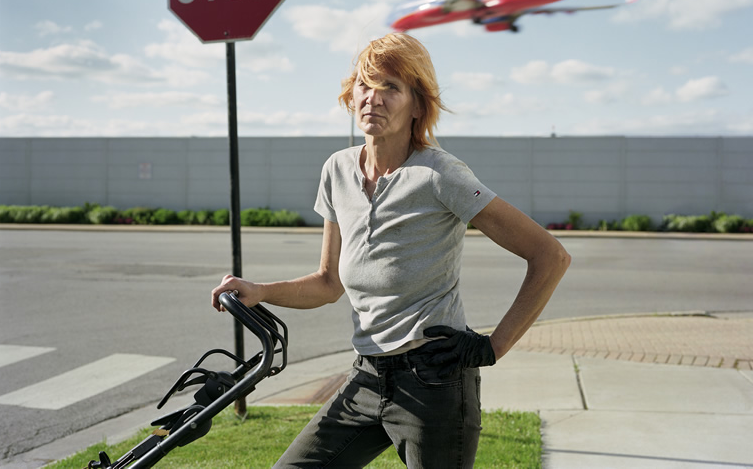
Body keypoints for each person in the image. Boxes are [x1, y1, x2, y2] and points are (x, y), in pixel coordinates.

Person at [211, 32, 571, 468]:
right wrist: (261, 291)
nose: (373, 98)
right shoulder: (337, 170)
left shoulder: (439, 175)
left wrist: (494, 346)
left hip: (434, 384)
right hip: (365, 376)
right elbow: (327, 284)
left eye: (391, 88)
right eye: (365, 84)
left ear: (417, 105)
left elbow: (550, 256)